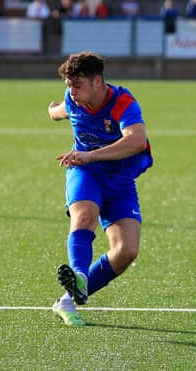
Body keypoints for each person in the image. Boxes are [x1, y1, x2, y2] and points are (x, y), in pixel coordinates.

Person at [48, 52, 153, 326]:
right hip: (84, 172)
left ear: (98, 82)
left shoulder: (122, 102)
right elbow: (61, 110)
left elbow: (137, 140)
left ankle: (67, 300)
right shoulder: (73, 100)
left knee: (127, 251)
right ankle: (79, 274)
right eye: (69, 85)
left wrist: (91, 155)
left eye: (77, 85)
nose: (72, 91)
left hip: (119, 180)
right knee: (84, 217)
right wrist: (52, 110)